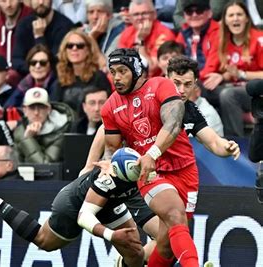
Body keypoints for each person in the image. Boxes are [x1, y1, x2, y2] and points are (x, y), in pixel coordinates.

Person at [101, 48, 199, 266]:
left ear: (136, 70)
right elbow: (112, 146)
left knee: (166, 244)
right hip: (150, 172)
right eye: (112, 72)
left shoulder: (160, 85)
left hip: (185, 168)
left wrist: (152, 152)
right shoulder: (109, 107)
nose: (116, 77)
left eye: (122, 71)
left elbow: (173, 124)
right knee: (175, 215)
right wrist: (107, 161)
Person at [0, 162, 157, 267]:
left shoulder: (139, 158)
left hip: (111, 200)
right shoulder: (107, 179)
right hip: (74, 204)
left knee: (135, 251)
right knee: (44, 242)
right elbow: (84, 217)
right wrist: (111, 235)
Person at [202, 1, 263, 136]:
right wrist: (222, 77)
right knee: (198, 87)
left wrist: (241, 74)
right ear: (225, 21)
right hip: (232, 87)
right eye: (231, 15)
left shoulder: (259, 38)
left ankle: (236, 143)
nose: (235, 18)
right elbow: (213, 70)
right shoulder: (222, 40)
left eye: (239, 14)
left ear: (247, 18)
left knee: (229, 95)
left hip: (256, 92)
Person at [167, 56, 240, 156]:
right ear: (166, 79)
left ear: (194, 84)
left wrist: (227, 148)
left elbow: (214, 142)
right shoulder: (150, 101)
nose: (182, 90)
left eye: (188, 84)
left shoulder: (191, 111)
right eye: (177, 83)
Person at [51, 29, 111, 114]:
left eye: (80, 46)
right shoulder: (60, 81)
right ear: (65, 50)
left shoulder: (99, 78)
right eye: (70, 46)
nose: (74, 49)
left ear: (88, 50)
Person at [12, 0, 74, 76]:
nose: (41, 2)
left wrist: (39, 37)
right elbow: (16, 60)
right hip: (28, 78)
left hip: (56, 79)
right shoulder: (24, 24)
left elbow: (55, 64)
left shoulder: (64, 26)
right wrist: (34, 69)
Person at [13, 87, 75, 163]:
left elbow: (45, 165)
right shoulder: (20, 131)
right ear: (25, 110)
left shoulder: (61, 129)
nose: (36, 112)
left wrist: (28, 139)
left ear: (49, 109)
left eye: (41, 107)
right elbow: (16, 164)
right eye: (32, 108)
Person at [118, 0, 175, 77]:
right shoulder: (126, 33)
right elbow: (120, 64)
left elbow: (150, 69)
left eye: (144, 13)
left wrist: (140, 41)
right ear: (130, 18)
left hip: (155, 82)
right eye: (136, 14)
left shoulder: (165, 34)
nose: (140, 17)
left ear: (154, 14)